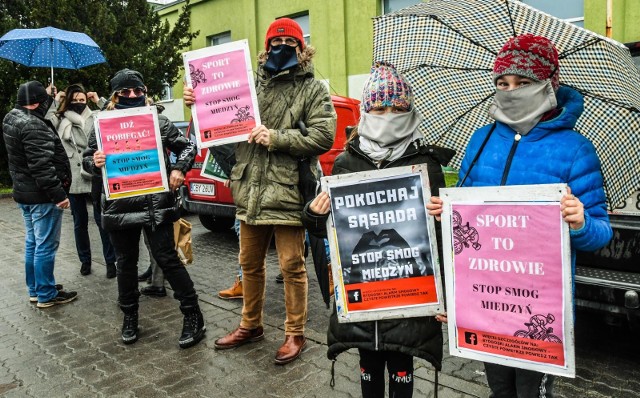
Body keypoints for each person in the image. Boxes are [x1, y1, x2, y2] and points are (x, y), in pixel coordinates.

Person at [427, 34, 613, 398]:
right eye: (503, 83)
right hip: (486, 300)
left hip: (538, 308)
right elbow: (465, 219)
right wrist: (445, 212)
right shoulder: (481, 139)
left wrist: (579, 223)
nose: (511, 91)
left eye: (523, 83)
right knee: (500, 389)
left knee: (531, 392)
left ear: (548, 85)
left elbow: (601, 232)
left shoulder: (576, 149)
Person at [184, 17, 336, 364]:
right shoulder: (249, 83)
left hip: (287, 192)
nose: (281, 48)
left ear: (302, 50)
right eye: (274, 43)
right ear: (264, 48)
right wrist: (198, 100)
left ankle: (295, 333)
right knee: (248, 264)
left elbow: (324, 136)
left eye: (290, 43)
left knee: (291, 266)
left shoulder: (313, 88)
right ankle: (250, 325)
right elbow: (219, 119)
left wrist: (277, 137)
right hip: (250, 187)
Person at [302, 62, 455, 397]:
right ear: (365, 111)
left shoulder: (426, 165)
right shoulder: (345, 162)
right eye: (380, 107)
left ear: (411, 111)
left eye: (398, 108)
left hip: (410, 299)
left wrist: (445, 217)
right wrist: (313, 214)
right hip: (364, 300)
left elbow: (445, 239)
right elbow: (323, 232)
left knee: (402, 370)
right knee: (368, 372)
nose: (388, 115)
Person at [83, 68, 205, 348]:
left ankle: (193, 315)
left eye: (138, 91)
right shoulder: (102, 125)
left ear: (145, 92)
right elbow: (86, 160)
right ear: (115, 96)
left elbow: (187, 148)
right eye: (125, 92)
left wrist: (178, 169)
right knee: (125, 264)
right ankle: (129, 317)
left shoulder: (159, 122)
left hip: (155, 204)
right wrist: (95, 161)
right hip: (118, 204)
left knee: (168, 260)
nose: (132, 96)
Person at [3, 80, 78, 308]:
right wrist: (59, 195)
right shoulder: (34, 126)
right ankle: (46, 294)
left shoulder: (12, 118)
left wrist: (47, 94)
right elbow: (42, 167)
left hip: (24, 193)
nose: (48, 105)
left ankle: (36, 289)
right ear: (36, 104)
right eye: (44, 101)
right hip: (42, 196)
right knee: (45, 245)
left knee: (33, 243)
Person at [46, 84, 117, 278]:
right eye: (74, 100)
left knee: (102, 220)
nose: (78, 103)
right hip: (73, 176)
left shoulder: (95, 116)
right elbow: (46, 119)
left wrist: (99, 100)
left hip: (93, 172)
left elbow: (113, 115)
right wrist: (52, 99)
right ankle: (85, 262)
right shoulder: (60, 118)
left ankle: (111, 263)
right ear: (67, 101)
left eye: (82, 100)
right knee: (79, 223)